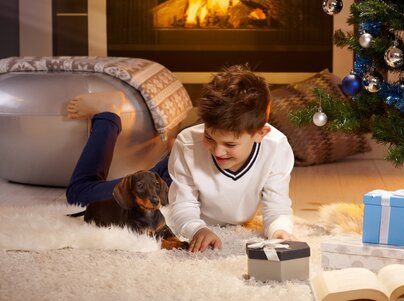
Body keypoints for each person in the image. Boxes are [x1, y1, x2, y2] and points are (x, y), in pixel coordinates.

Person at [66, 64, 295, 253]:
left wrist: (280, 231)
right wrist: (197, 229)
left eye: (230, 145)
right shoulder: (190, 144)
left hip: (186, 166)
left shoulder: (277, 148)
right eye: (210, 137)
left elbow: (277, 208)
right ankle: (108, 114)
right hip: (172, 178)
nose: (218, 151)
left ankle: (172, 149)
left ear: (260, 134)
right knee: (79, 193)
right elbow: (182, 205)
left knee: (190, 154)